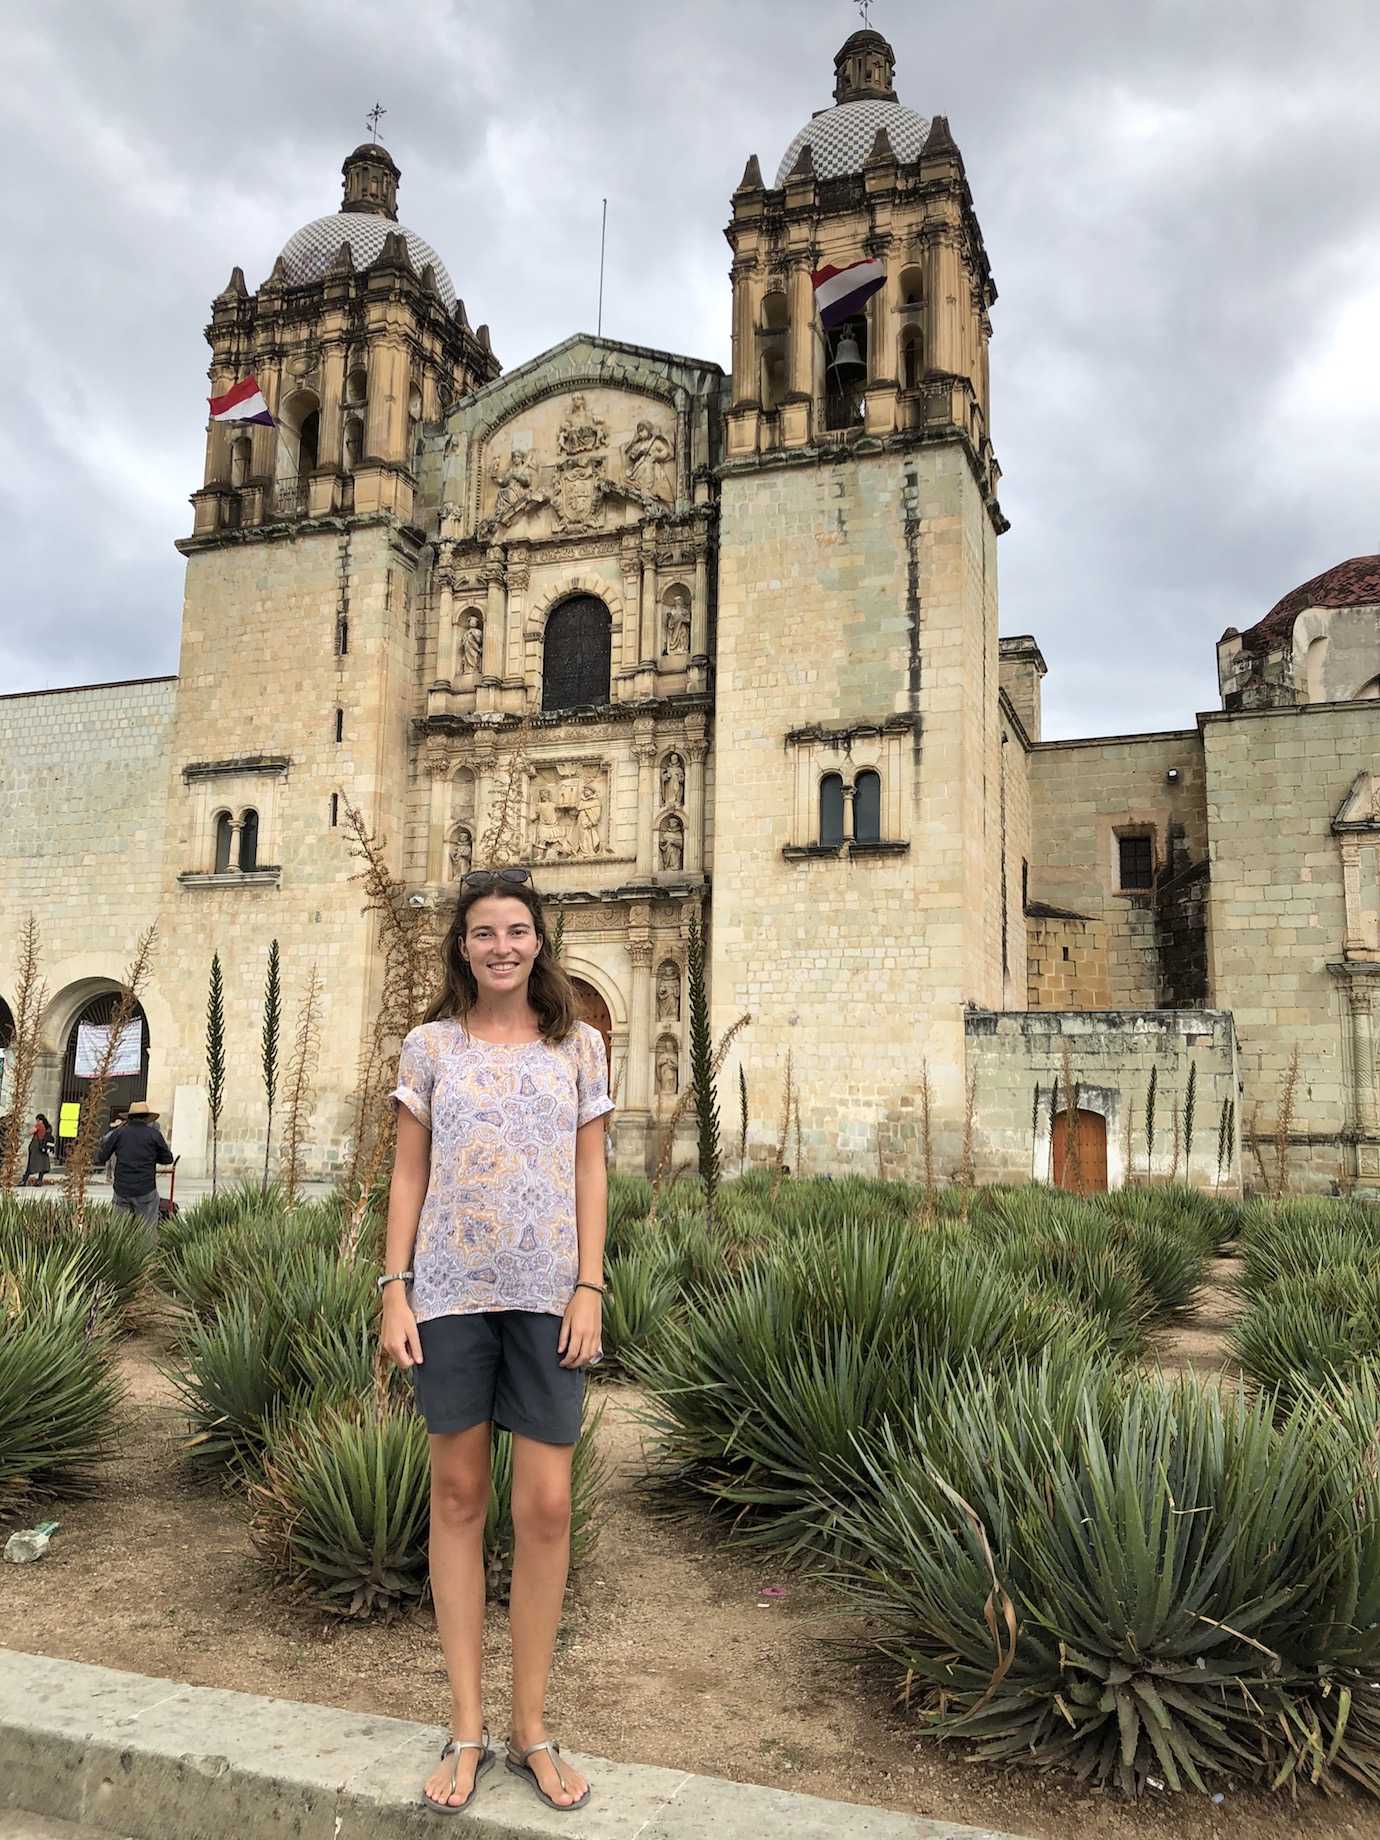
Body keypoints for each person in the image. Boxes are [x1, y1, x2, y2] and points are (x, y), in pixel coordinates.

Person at [380, 864, 613, 1815]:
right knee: (459, 1493)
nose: (503, 946)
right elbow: (407, 1175)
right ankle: (469, 1728)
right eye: (485, 932)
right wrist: (394, 1289)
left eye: (518, 930)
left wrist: (591, 1284)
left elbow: (592, 1173)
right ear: (462, 946)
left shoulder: (581, 1047)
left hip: (549, 1296)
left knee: (548, 1505)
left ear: (540, 941)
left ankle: (533, 1728)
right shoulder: (429, 1046)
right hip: (448, 1293)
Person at [95, 1100, 173, 1224]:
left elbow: (102, 1157)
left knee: (120, 1232)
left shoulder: (118, 1133)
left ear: (129, 1118)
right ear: (147, 1118)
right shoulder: (154, 1135)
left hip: (122, 1190)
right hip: (146, 1189)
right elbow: (168, 1159)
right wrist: (151, 1156)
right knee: (146, 1232)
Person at [21, 1114, 54, 1186]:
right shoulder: (48, 1127)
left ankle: (24, 1180)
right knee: (42, 1164)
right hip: (44, 1147)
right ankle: (39, 1181)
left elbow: (30, 1132)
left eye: (37, 1120)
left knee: (31, 1164)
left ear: (39, 1120)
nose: (36, 1121)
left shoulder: (39, 1125)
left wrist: (24, 1133)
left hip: (36, 1147)